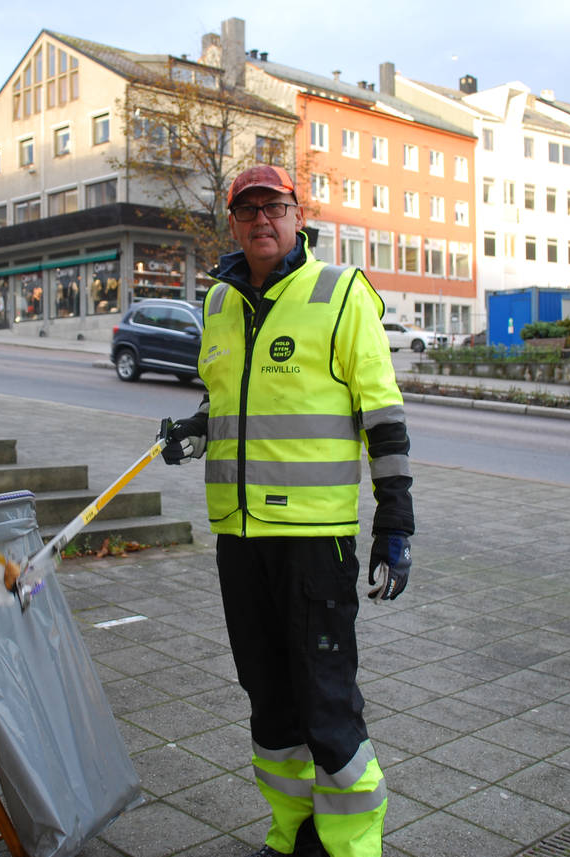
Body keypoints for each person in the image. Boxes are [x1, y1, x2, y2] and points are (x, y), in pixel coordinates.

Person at [160, 165, 414, 857]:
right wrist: (196, 426)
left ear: (298, 215)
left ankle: (349, 845)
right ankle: (293, 830)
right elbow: (233, 404)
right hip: (239, 538)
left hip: (313, 540)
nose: (260, 221)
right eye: (247, 211)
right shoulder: (219, 301)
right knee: (269, 702)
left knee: (326, 701)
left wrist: (395, 519)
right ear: (234, 223)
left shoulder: (339, 293)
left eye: (273, 207)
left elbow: (382, 415)